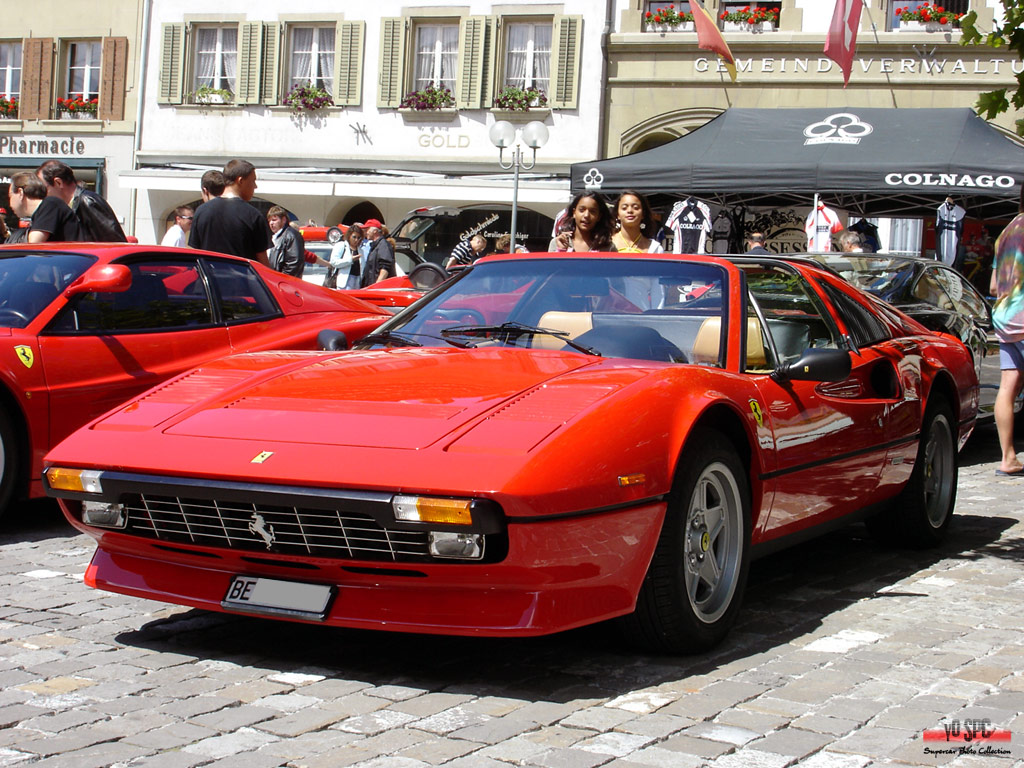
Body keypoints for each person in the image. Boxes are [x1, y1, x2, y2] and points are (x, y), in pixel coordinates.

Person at [990, 192, 1024, 477]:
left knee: (1008, 386)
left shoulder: (1006, 232)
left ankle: (1007, 457)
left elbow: (992, 286)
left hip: (1005, 316)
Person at [189, 159, 272, 266]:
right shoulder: (253, 216)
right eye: (253, 181)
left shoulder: (201, 211)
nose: (255, 186)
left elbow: (193, 253)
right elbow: (262, 263)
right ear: (240, 181)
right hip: (242, 281)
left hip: (210, 280)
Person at [36, 159, 126, 242]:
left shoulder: (87, 201)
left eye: (44, 188)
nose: (42, 194)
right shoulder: (68, 206)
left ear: (58, 183)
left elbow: (114, 241)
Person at [10, 171, 81, 243]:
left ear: (20, 193)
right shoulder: (44, 210)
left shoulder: (50, 204)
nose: (10, 203)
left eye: (10, 196)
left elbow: (33, 244)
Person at [549, 192, 616, 252]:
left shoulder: (608, 247)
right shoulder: (557, 242)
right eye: (581, 210)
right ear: (574, 213)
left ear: (599, 216)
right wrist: (561, 251)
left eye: (592, 211)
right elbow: (552, 265)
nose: (586, 215)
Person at [266, 206, 305, 277]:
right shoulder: (277, 237)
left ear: (283, 220)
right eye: (269, 220)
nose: (271, 223)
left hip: (285, 283)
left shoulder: (291, 236)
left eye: (274, 220)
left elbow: (294, 262)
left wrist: (281, 278)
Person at [360, 218, 396, 287]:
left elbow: (385, 267)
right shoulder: (375, 246)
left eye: (367, 229)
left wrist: (376, 286)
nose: (366, 232)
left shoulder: (383, 245)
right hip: (370, 288)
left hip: (379, 290)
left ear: (375, 231)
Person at [328, 224, 365, 289]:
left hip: (357, 281)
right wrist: (350, 260)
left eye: (358, 238)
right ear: (349, 236)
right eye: (354, 237)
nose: (356, 240)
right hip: (344, 282)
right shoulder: (341, 246)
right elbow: (333, 262)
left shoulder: (360, 250)